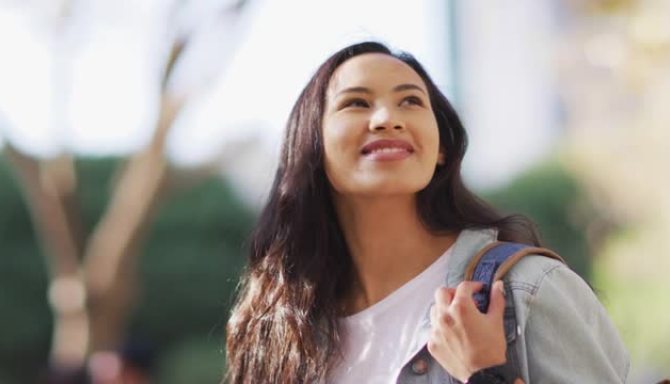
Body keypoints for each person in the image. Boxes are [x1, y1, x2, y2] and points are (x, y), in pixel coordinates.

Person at [225, 41, 629, 383]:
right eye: (356, 103)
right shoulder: (281, 332)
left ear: (441, 149)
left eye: (410, 101)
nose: (387, 119)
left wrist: (483, 374)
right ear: (312, 147)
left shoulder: (527, 290)